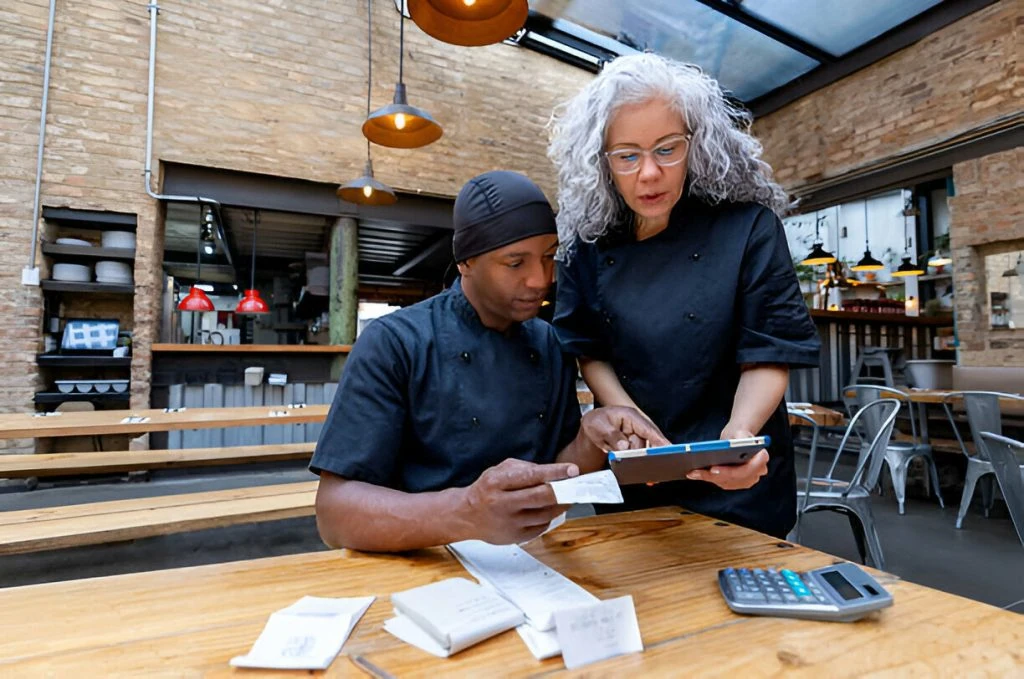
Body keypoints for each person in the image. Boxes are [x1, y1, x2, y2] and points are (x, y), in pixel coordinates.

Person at [312, 170, 666, 552]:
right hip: (420, 563)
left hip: (534, 560)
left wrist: (590, 437)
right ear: (466, 261)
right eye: (515, 263)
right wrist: (467, 512)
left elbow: (558, 476)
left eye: (549, 257)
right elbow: (334, 514)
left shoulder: (547, 341)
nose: (540, 280)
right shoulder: (395, 343)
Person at [548, 53, 820, 538]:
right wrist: (628, 417)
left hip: (740, 485)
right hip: (637, 472)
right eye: (628, 156)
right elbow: (590, 351)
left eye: (667, 150)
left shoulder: (748, 228)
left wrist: (740, 436)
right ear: (601, 162)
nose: (649, 173)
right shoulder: (586, 245)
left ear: (698, 145)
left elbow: (767, 352)